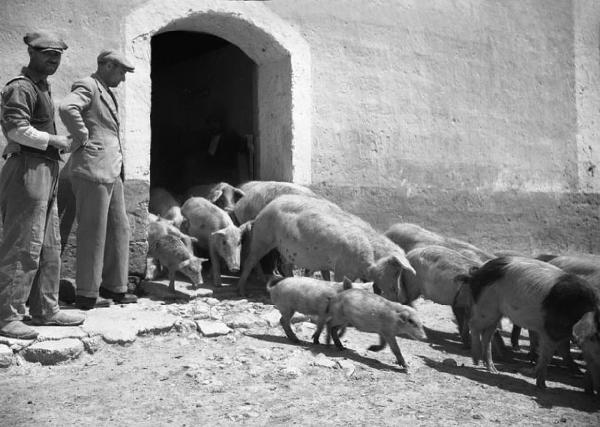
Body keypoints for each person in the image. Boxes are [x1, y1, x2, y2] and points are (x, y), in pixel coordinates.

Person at [0, 31, 85, 338]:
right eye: (47, 53)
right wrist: (56, 140)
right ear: (31, 53)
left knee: (49, 245)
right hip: (27, 168)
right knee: (24, 243)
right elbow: (16, 130)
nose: (53, 58)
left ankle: (45, 309)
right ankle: (7, 316)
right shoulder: (20, 87)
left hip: (45, 169)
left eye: (57, 55)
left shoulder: (41, 87)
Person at [59, 50, 137, 310]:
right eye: (122, 71)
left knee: (120, 227)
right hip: (93, 169)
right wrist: (82, 137)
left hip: (111, 170)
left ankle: (115, 286)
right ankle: (87, 293)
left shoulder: (104, 89)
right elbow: (67, 107)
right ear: (107, 65)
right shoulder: (88, 85)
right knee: (93, 230)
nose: (124, 78)